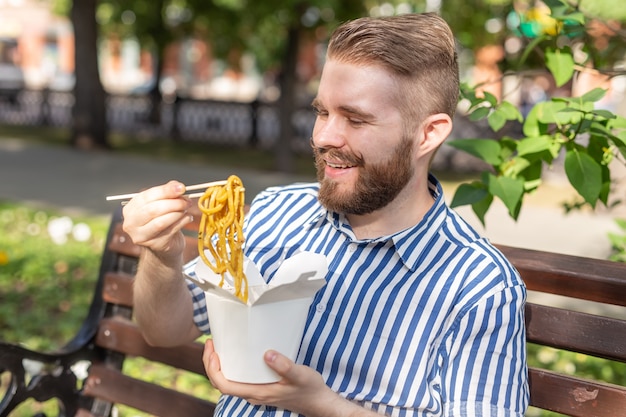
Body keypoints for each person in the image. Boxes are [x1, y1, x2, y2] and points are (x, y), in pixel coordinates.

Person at [122, 13, 529, 417]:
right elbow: (164, 332)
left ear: (429, 134)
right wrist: (162, 253)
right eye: (322, 112)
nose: (323, 138)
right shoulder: (277, 212)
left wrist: (323, 406)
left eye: (355, 119)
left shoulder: (480, 287)